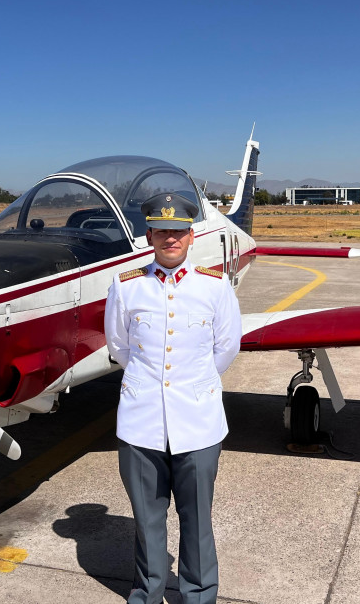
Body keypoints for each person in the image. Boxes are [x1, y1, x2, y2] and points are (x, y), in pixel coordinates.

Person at [105, 192, 242, 604]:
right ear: (149, 235)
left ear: (190, 236)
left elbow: (226, 348)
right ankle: (146, 593)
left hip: (197, 423)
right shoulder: (127, 287)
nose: (170, 239)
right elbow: (119, 347)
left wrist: (190, 384)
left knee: (197, 518)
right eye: (162, 231)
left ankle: (199, 594)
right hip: (141, 422)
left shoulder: (214, 287)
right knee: (147, 519)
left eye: (178, 231)